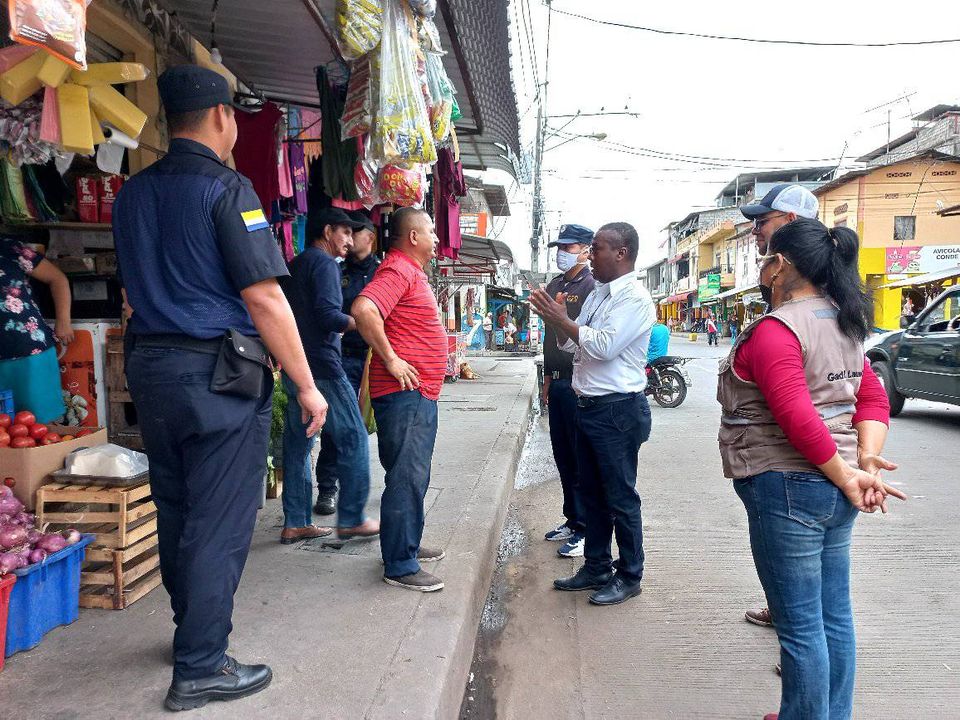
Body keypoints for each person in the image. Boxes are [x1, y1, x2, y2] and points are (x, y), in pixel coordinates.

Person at [113, 65, 329, 712]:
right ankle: (202, 665)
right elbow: (264, 297)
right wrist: (308, 386)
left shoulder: (132, 192)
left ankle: (192, 636)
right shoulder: (230, 190)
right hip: (217, 375)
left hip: (150, 368)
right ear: (221, 117)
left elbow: (132, 291)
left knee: (177, 507)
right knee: (220, 521)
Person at [717, 218, 906, 720]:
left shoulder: (777, 329)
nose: (762, 268)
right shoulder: (844, 323)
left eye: (765, 259)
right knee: (832, 617)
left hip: (789, 488)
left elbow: (796, 415)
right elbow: (871, 398)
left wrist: (851, 475)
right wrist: (863, 461)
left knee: (800, 626)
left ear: (779, 265)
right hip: (834, 487)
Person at [530, 222, 656, 607]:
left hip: (617, 410)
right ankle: (597, 565)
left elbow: (602, 346)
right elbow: (573, 345)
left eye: (596, 248)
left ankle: (630, 574)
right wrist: (559, 323)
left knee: (619, 496)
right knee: (592, 493)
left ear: (621, 253)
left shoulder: (634, 298)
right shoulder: (600, 294)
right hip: (589, 405)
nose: (590, 254)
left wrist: (563, 321)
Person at [352, 207, 447, 592]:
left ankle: (405, 544)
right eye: (431, 231)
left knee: (412, 475)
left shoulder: (408, 271)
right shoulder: (398, 270)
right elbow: (363, 309)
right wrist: (391, 359)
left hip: (416, 394)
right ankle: (400, 564)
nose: (436, 238)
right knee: (407, 476)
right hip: (405, 393)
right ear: (412, 237)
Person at [738, 182, 820, 628]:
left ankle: (789, 622)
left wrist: (846, 472)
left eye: (762, 223)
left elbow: (798, 411)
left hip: (791, 466)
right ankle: (785, 612)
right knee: (824, 606)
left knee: (804, 618)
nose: (755, 232)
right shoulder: (801, 304)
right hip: (798, 462)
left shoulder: (796, 315)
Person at [282, 207, 378, 543]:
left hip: (295, 364)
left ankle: (296, 521)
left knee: (298, 444)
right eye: (345, 232)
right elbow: (327, 316)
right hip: (323, 368)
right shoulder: (324, 264)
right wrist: (361, 323)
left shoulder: (296, 264)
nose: (350, 241)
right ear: (327, 232)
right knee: (353, 437)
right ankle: (351, 517)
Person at [313, 209, 380, 516]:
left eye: (357, 232)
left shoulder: (382, 273)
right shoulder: (335, 270)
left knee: (385, 425)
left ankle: (392, 485)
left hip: (376, 360)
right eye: (347, 233)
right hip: (343, 359)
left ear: (370, 237)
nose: (351, 239)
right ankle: (328, 488)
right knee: (337, 427)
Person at [540, 223, 596, 558]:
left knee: (580, 458)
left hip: (579, 381)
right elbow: (550, 337)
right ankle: (572, 519)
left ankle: (586, 528)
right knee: (562, 455)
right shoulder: (555, 284)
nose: (562, 253)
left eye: (569, 247)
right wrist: (547, 377)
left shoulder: (592, 286)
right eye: (560, 247)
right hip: (559, 379)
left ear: (586, 249)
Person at [0, 238, 72, 423]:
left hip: (29, 350)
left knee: (38, 426)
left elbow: (57, 278)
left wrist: (63, 321)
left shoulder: (11, 249)